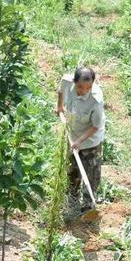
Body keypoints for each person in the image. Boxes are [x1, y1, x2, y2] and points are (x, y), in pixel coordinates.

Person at [56, 66, 105, 213]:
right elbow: (60, 91)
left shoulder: (96, 100)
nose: (83, 91)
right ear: (74, 82)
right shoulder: (67, 81)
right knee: (72, 171)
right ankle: (71, 202)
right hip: (73, 134)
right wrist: (59, 107)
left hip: (90, 141)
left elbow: (95, 126)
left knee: (90, 174)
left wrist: (79, 141)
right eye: (80, 87)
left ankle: (88, 207)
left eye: (87, 88)